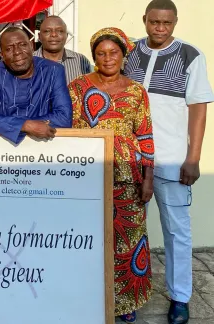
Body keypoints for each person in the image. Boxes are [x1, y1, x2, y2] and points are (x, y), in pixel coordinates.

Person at [124, 1, 214, 323]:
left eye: (167, 23)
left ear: (175, 22)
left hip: (172, 160)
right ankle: (127, 294)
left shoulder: (190, 55)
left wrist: (193, 158)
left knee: (177, 232)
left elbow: (199, 109)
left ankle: (180, 297)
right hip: (132, 161)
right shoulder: (129, 51)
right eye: (154, 22)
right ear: (144, 20)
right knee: (130, 232)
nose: (160, 29)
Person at [69, 27, 155, 323]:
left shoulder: (135, 91)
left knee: (128, 239)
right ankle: (90, 297)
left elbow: (144, 136)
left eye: (113, 52)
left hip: (128, 179)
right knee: (89, 238)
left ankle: (126, 301)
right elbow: (68, 130)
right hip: (89, 176)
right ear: (94, 57)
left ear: (123, 55)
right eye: (101, 53)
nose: (107, 58)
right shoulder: (77, 88)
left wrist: (148, 179)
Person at [0, 26, 72, 144]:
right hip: (5, 148)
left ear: (31, 46)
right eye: (9, 49)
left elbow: (64, 117)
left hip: (45, 147)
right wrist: (25, 125)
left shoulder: (53, 70)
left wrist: (12, 124)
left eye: (22, 45)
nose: (17, 52)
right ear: (2, 55)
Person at [34, 15, 92, 84]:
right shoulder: (28, 61)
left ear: (66, 36)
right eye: (47, 31)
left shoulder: (81, 60)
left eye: (60, 31)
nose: (54, 34)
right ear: (39, 36)